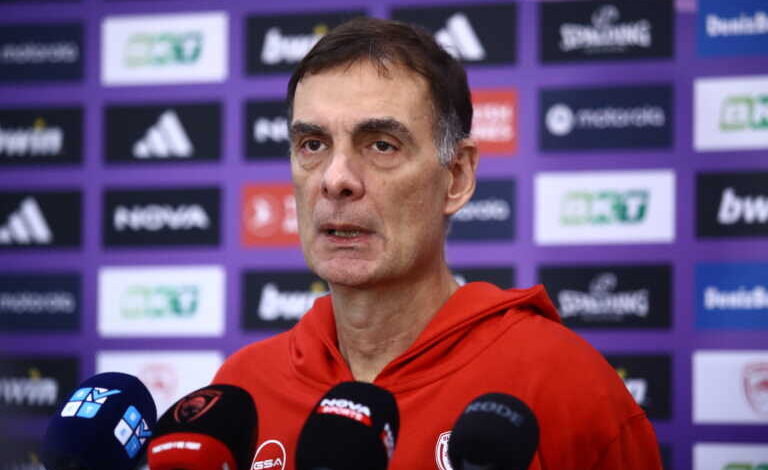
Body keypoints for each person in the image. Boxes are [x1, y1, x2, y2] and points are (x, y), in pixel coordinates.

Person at [214, 17, 663, 470]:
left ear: (458, 176)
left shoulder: (566, 385)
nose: (336, 179)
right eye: (313, 144)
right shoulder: (240, 391)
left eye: (381, 145)